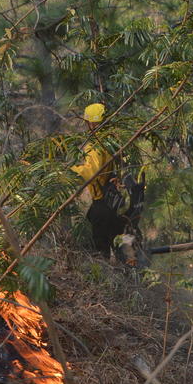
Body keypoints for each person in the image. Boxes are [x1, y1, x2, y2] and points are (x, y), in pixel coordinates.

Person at [70, 103, 145, 264]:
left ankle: (103, 272)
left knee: (99, 241)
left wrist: (71, 171)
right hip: (115, 201)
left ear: (90, 123)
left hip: (103, 203)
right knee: (117, 236)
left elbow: (92, 171)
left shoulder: (97, 145)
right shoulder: (113, 140)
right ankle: (127, 268)